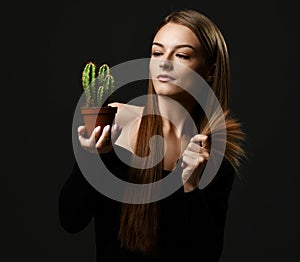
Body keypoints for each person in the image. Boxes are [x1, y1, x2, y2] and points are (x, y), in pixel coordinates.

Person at [58, 8, 246, 261]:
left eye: (181, 55)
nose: (164, 62)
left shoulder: (213, 153)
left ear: (210, 71)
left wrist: (191, 186)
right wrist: (94, 157)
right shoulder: (116, 120)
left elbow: (207, 254)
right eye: (157, 52)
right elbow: (71, 220)